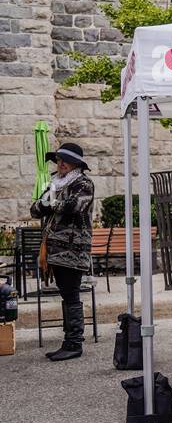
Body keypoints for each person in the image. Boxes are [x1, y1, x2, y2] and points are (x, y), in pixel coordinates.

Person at [31, 143, 94, 362]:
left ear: (76, 163)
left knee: (71, 294)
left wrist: (51, 202)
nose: (60, 163)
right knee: (66, 294)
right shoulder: (55, 183)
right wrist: (47, 202)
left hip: (72, 249)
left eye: (64, 160)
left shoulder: (84, 183)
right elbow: (35, 210)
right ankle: (69, 341)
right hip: (53, 249)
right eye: (58, 160)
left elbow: (74, 206)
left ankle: (74, 343)